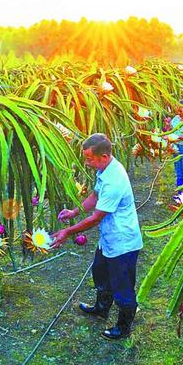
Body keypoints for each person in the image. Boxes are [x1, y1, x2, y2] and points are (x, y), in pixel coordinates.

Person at [51, 133, 143, 340]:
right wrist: (75, 212)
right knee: (100, 273)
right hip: (109, 238)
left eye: (89, 158)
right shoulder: (105, 169)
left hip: (123, 243)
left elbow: (96, 218)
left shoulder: (114, 181)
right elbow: (95, 195)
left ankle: (123, 327)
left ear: (103, 156)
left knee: (123, 286)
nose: (86, 162)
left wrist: (68, 231)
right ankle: (101, 309)